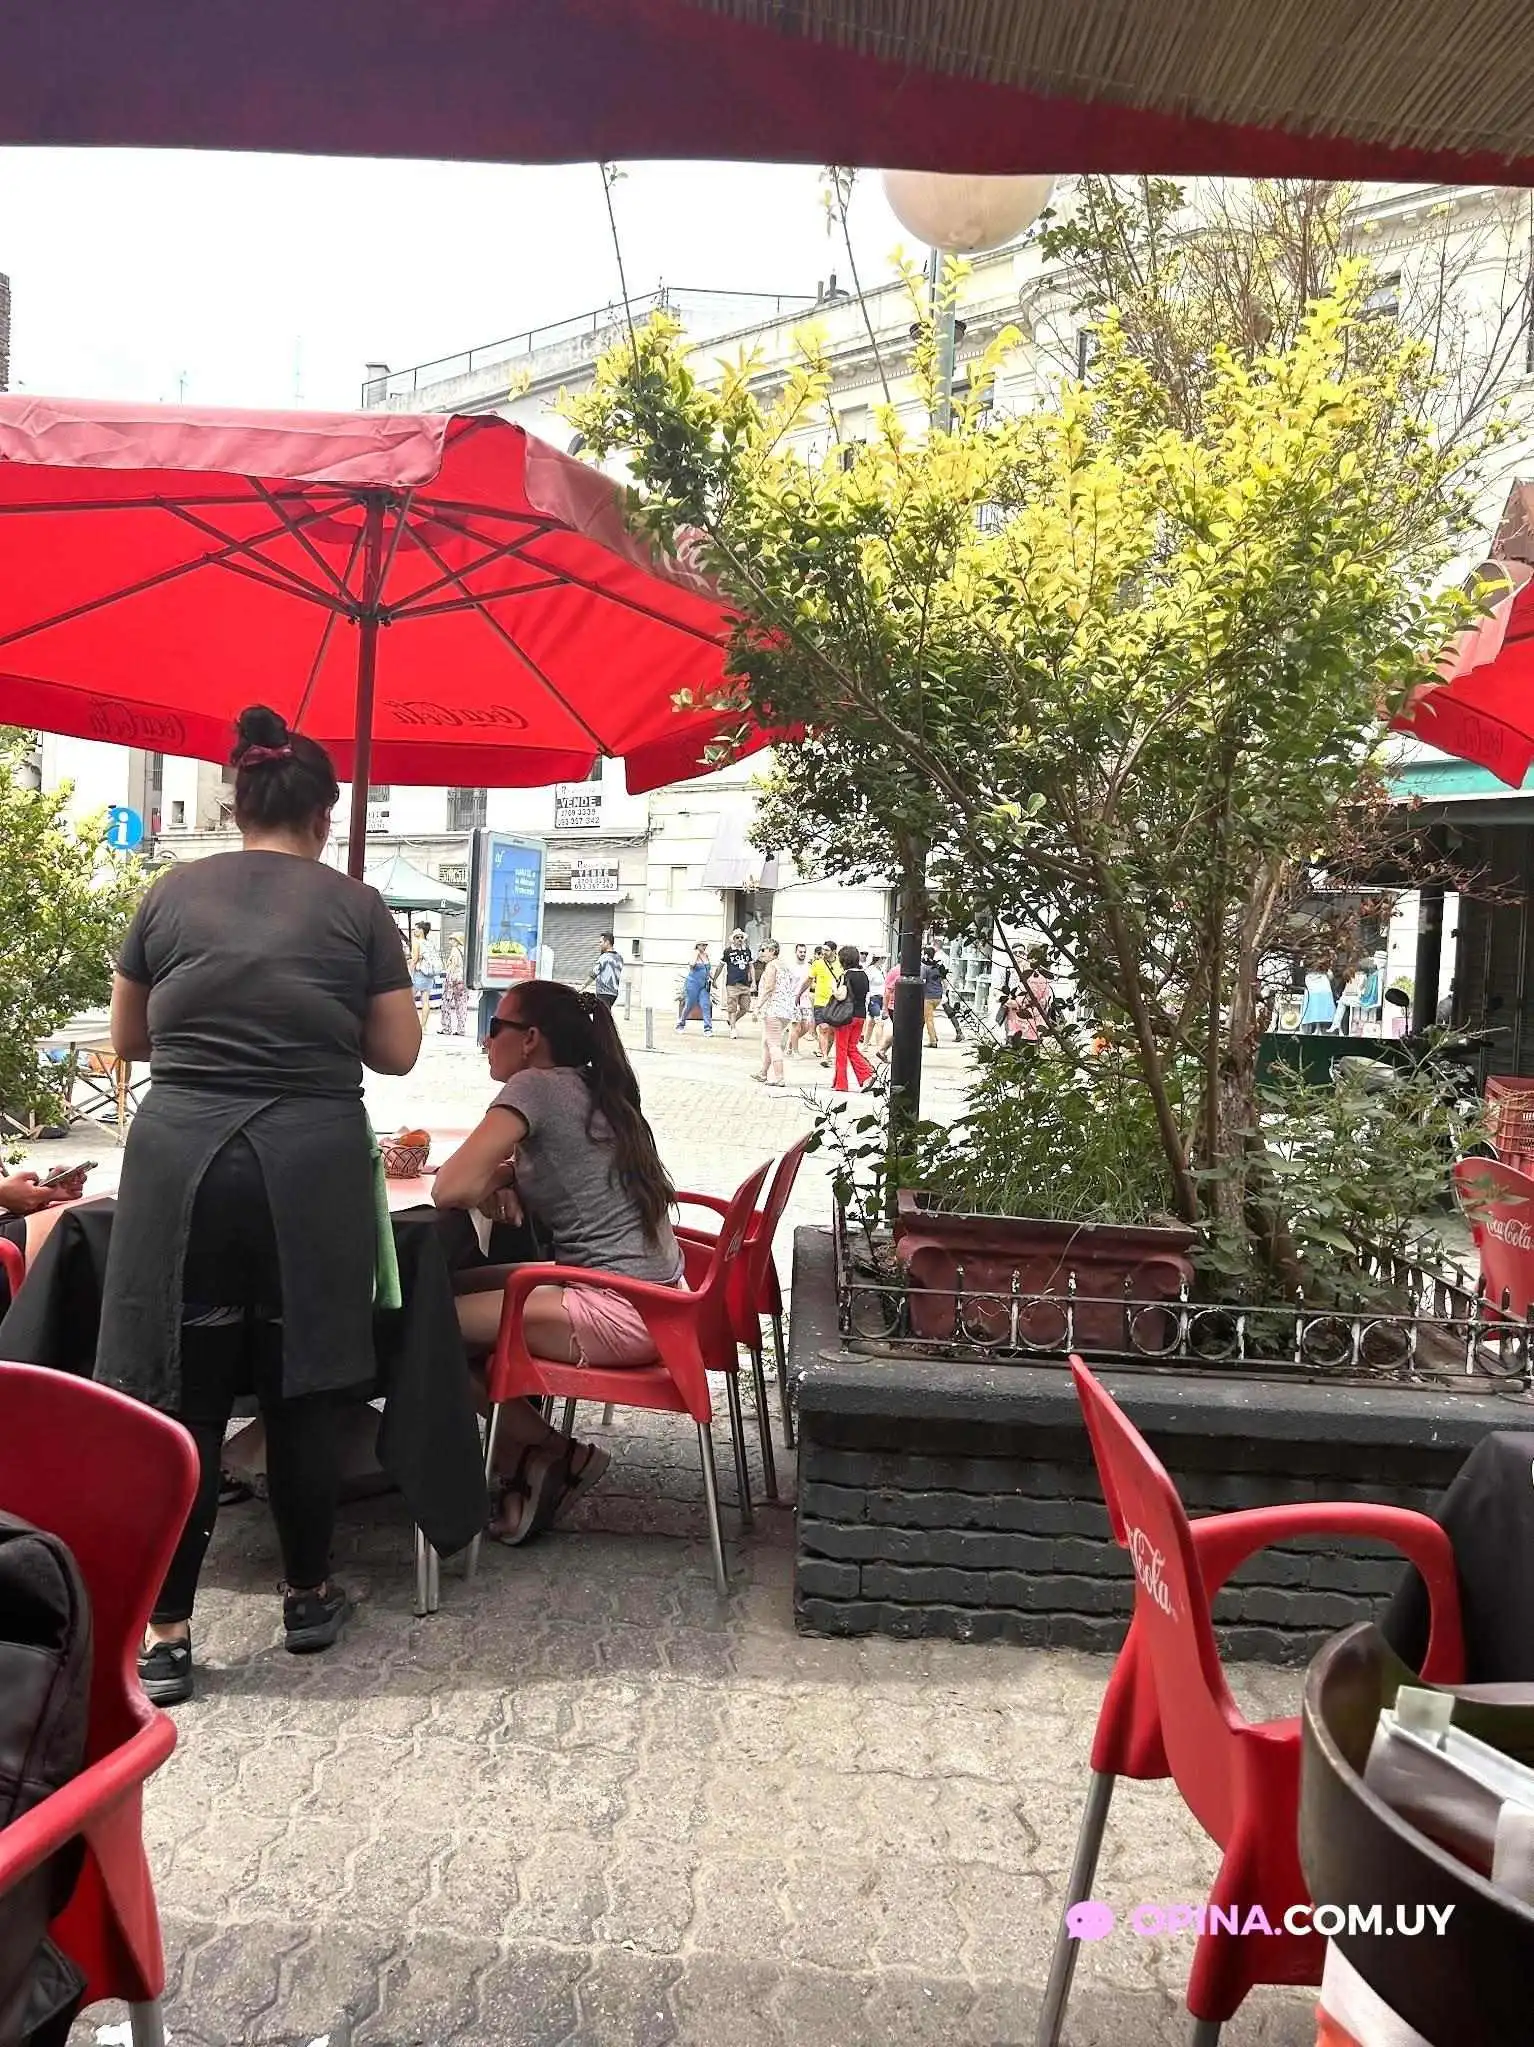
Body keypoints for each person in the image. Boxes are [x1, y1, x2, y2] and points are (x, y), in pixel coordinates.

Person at [102, 706, 423, 1704]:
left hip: (181, 1161)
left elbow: (129, 1039)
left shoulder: (167, 893)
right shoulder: (356, 906)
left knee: (184, 1394)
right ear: (325, 815)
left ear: (239, 804)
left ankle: (166, 1633)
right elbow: (398, 1052)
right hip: (308, 1165)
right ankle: (307, 1596)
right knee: (304, 1386)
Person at [432, 979, 683, 1540]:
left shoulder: (536, 1087)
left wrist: (491, 1179)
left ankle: (550, 1454)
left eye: (495, 1026)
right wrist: (507, 1177)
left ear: (530, 1039)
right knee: (441, 1290)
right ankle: (528, 1459)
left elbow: (449, 1188)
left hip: (617, 1309)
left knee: (422, 1326)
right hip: (655, 1301)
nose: (485, 1040)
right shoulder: (593, 1085)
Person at [753, 939, 799, 1089]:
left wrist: (757, 1006)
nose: (761, 953)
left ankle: (779, 1077)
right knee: (768, 1042)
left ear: (772, 951)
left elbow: (769, 987)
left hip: (774, 1008)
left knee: (773, 1044)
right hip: (786, 1009)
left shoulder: (771, 966)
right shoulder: (784, 966)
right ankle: (763, 1072)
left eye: (764, 950)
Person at [830, 945, 875, 1093]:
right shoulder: (864, 975)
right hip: (860, 1015)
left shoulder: (846, 975)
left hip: (846, 1015)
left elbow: (841, 995)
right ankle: (864, 1074)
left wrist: (833, 988)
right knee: (851, 1047)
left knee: (841, 1050)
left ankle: (842, 1083)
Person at [715, 928, 755, 1038]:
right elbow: (720, 966)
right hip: (732, 983)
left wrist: (753, 981)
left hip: (745, 983)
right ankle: (733, 1029)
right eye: (737, 937)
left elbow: (751, 966)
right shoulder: (728, 951)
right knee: (732, 1007)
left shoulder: (747, 951)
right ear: (733, 939)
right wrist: (714, 979)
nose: (740, 939)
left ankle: (732, 1021)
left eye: (741, 937)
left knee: (745, 1008)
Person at [806, 941, 838, 1064]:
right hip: (820, 1000)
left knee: (832, 1031)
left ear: (834, 951)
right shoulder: (817, 963)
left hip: (835, 1001)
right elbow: (809, 980)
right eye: (823, 950)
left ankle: (826, 1053)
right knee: (824, 1028)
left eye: (827, 950)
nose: (824, 952)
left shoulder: (840, 964)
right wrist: (799, 994)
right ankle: (824, 1056)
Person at [675, 942, 714, 1033]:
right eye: (701, 945)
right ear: (697, 945)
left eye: (705, 945)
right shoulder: (694, 954)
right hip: (693, 983)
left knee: (705, 1005)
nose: (703, 947)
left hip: (704, 984)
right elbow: (691, 965)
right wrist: (696, 954)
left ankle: (707, 1028)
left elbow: (708, 970)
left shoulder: (706, 955)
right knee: (690, 1004)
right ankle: (681, 1023)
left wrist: (713, 980)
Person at [409, 919, 442, 1028]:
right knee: (425, 1001)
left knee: (408, 999)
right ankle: (423, 1026)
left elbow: (414, 959)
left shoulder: (417, 942)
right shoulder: (429, 943)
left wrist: (410, 972)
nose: (414, 931)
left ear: (421, 931)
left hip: (419, 973)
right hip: (429, 974)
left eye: (416, 929)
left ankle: (410, 1024)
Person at [786, 942, 815, 1059]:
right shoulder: (791, 967)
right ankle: (795, 1051)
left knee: (806, 1026)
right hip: (793, 999)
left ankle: (790, 1044)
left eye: (804, 952)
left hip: (805, 999)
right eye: (800, 952)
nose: (802, 954)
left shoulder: (809, 967)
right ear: (796, 952)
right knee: (796, 1026)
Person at [439, 931, 469, 1037]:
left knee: (446, 1003)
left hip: (453, 979)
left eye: (452, 939)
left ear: (457, 940)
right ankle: (461, 1029)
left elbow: (453, 965)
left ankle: (446, 1028)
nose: (450, 941)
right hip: (463, 979)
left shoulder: (455, 950)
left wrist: (448, 977)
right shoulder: (466, 950)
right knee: (461, 1005)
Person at [591, 931, 624, 1011]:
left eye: (601, 942)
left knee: (601, 1016)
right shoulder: (619, 957)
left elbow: (593, 974)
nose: (599, 944)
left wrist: (582, 987)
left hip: (603, 993)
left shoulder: (604, 957)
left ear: (607, 942)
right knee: (606, 1013)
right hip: (613, 993)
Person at [862, 953, 887, 1048]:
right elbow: (866, 984)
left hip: (881, 998)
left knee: (871, 1022)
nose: (884, 960)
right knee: (879, 1022)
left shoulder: (881, 970)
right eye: (883, 958)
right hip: (873, 998)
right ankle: (880, 1046)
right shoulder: (870, 970)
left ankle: (865, 1044)